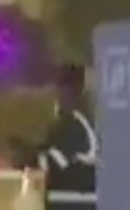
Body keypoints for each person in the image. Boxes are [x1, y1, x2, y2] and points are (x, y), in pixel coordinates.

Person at [11, 65, 97, 208]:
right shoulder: (85, 121)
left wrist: (28, 158)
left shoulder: (71, 122)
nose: (57, 96)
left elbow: (56, 161)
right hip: (78, 200)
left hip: (73, 202)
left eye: (60, 89)